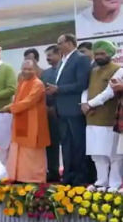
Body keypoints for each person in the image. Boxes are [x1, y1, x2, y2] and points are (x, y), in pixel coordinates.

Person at [46, 34, 94, 185]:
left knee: (78, 144)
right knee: (66, 145)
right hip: (62, 110)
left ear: (70, 43)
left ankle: (81, 177)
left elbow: (82, 84)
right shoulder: (63, 61)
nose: (58, 46)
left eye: (60, 43)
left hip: (74, 109)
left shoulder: (80, 59)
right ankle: (68, 176)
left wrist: (58, 89)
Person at [80, 41, 123, 192]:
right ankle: (101, 181)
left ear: (110, 54)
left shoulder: (118, 70)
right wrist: (84, 103)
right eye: (97, 54)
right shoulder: (93, 71)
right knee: (96, 152)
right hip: (91, 117)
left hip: (108, 117)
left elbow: (109, 92)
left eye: (102, 53)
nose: (99, 56)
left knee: (113, 154)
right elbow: (85, 89)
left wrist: (90, 104)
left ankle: (115, 183)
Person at [0, 60, 50, 183]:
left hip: (34, 123)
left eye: (30, 69)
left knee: (31, 152)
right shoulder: (22, 82)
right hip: (20, 119)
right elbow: (18, 101)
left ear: (36, 70)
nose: (27, 71)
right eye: (24, 69)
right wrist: (11, 106)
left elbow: (29, 101)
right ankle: (20, 177)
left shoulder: (38, 84)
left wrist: (10, 108)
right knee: (20, 148)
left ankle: (34, 178)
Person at [41, 45, 62, 182]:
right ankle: (53, 171)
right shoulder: (45, 73)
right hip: (49, 113)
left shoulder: (65, 70)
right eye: (46, 56)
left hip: (64, 111)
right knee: (51, 144)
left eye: (50, 55)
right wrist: (46, 107)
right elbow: (41, 91)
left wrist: (55, 106)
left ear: (59, 55)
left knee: (67, 144)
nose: (48, 58)